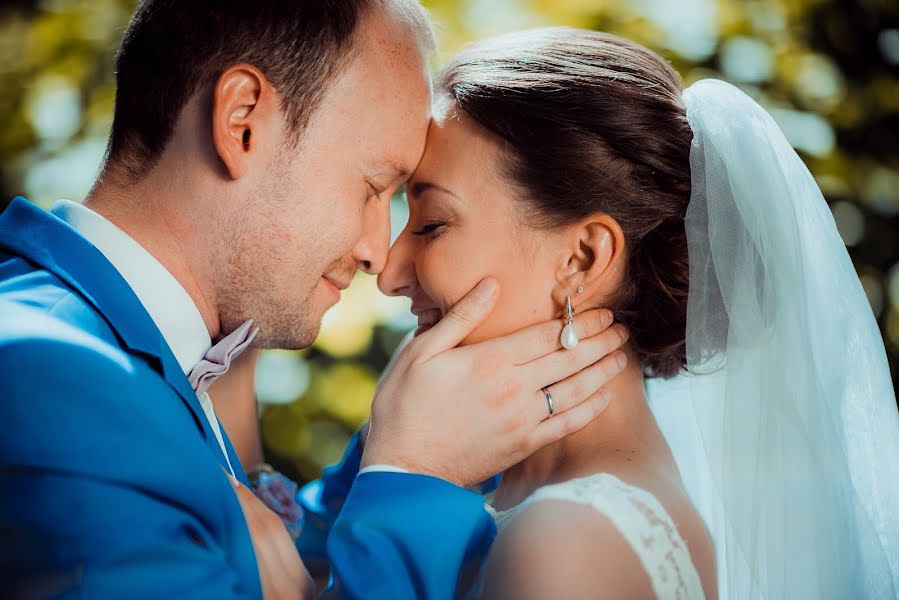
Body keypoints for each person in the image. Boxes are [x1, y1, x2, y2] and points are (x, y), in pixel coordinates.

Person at [0, 4, 631, 599]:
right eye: (372, 187)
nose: (378, 256)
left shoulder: (117, 360)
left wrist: (405, 446)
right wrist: (416, 478)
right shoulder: (52, 379)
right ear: (243, 121)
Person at [371, 27, 897, 599]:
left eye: (431, 224)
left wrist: (401, 475)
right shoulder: (512, 482)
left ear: (582, 257)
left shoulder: (565, 543)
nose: (388, 270)